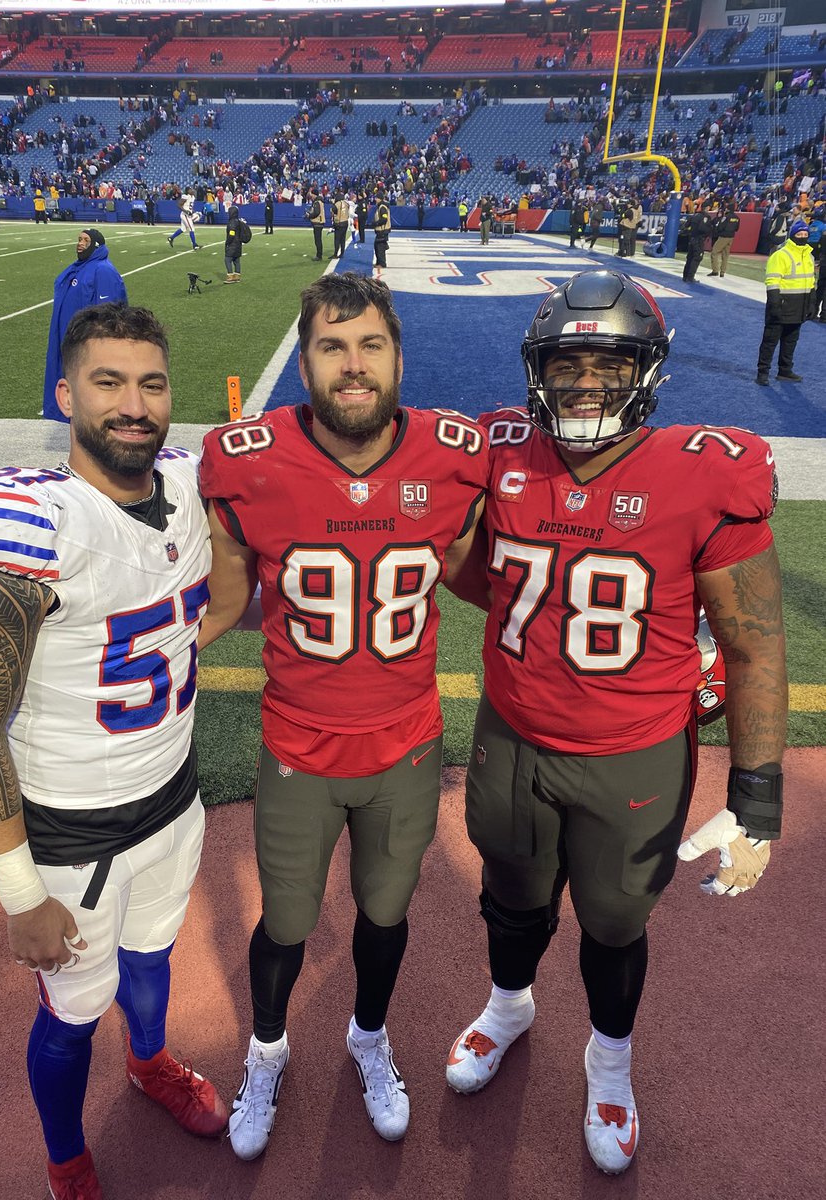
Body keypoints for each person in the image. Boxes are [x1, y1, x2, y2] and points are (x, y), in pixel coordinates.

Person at [446, 269, 786, 1176]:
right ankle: (509, 1007)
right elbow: (465, 566)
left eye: (609, 361)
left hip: (633, 757)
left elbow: (752, 644)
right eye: (568, 363)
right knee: (511, 898)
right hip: (513, 737)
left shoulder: (704, 473)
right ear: (537, 372)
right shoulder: (502, 451)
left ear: (647, 370)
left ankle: (609, 1062)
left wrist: (758, 800)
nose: (586, 381)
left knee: (612, 923)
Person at [0, 304, 228, 1200]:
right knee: (69, 1015)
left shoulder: (186, 483)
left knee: (154, 956)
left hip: (173, 794)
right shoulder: (32, 526)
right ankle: (66, 1157)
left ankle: (149, 1065)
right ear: (66, 395)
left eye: (151, 383)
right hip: (71, 832)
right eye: (108, 382)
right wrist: (20, 895)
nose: (133, 404)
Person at [198, 273, 488, 1162]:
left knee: (385, 914)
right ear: (307, 360)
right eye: (331, 346)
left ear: (399, 355)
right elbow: (219, 604)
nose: (352, 366)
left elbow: (496, 577)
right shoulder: (243, 460)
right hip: (297, 745)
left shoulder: (454, 455)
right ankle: (268, 1050)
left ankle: (368, 1035)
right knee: (285, 923)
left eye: (369, 345)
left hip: (405, 746)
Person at [43, 229, 127, 421]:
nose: (80, 243)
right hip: (72, 340)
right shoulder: (79, 268)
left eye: (85, 240)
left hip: (89, 345)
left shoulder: (103, 270)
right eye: (79, 239)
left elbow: (109, 314)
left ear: (96, 245)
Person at [756, 218, 816, 384]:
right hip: (782, 306)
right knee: (770, 341)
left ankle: (785, 370)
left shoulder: (809, 257)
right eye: (799, 233)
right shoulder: (781, 255)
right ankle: (763, 373)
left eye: (805, 234)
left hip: (799, 307)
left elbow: (811, 281)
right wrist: (775, 303)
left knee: (790, 342)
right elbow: (772, 281)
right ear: (792, 235)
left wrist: (811, 303)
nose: (803, 236)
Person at [682, 202, 715, 282]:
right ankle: (690, 277)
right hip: (699, 239)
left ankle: (685, 276)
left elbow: (686, 226)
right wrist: (710, 229)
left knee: (690, 258)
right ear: (706, 208)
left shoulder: (695, 215)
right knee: (697, 257)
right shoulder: (705, 217)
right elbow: (702, 228)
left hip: (692, 239)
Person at [708, 200, 740, 277]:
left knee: (714, 252)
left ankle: (715, 270)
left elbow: (721, 226)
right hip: (731, 237)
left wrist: (718, 230)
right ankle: (722, 272)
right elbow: (737, 228)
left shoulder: (726, 217)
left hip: (723, 237)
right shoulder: (737, 218)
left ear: (728, 209)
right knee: (725, 255)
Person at [223, 204, 245, 283]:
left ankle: (230, 276)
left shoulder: (231, 222)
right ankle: (237, 276)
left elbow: (231, 234)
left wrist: (227, 242)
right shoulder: (238, 221)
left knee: (227, 259)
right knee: (236, 260)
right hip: (238, 244)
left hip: (233, 244)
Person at [307, 186, 325, 260]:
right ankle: (319, 254)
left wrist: (310, 215)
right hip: (319, 222)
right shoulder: (319, 202)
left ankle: (319, 255)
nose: (311, 196)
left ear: (314, 194)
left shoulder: (317, 202)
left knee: (318, 240)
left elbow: (316, 212)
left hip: (318, 222)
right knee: (318, 239)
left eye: (312, 195)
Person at [373, 193, 391, 269]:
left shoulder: (382, 207)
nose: (375, 199)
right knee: (377, 246)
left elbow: (384, 219)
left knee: (380, 247)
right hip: (381, 230)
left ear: (379, 199)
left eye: (376, 198)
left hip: (382, 230)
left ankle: (382, 263)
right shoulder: (380, 206)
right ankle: (379, 262)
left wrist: (376, 223)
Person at [332, 190, 350, 259]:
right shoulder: (346, 203)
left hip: (339, 223)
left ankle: (335, 254)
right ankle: (342, 254)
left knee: (337, 239)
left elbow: (333, 211)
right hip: (345, 222)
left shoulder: (337, 204)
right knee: (343, 239)